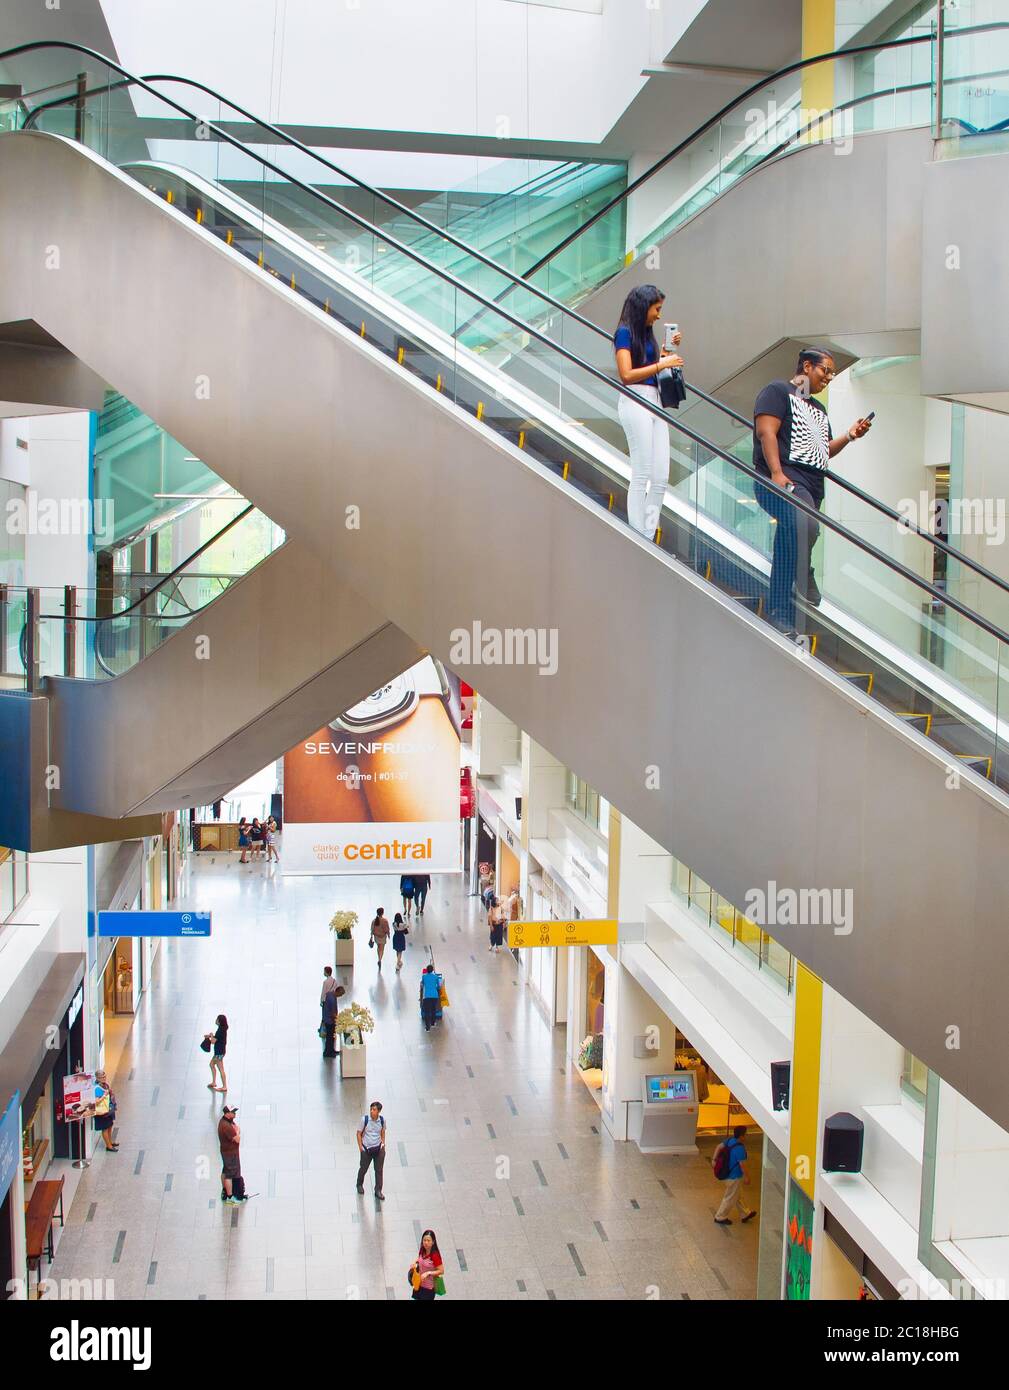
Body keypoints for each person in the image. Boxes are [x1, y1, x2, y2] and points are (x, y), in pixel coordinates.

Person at [753, 348, 872, 636]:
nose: (829, 377)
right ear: (807, 366)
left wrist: (850, 435)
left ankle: (780, 611)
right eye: (825, 370)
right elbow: (766, 432)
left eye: (832, 373)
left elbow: (823, 451)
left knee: (788, 542)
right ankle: (803, 574)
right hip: (780, 481)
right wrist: (777, 473)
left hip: (811, 485)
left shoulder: (818, 409)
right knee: (808, 526)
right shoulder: (778, 391)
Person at [614, 284, 683, 539]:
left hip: (654, 400)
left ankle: (648, 533)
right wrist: (661, 363)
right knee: (641, 473)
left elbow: (652, 365)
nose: (659, 315)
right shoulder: (624, 333)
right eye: (657, 309)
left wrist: (667, 353)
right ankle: (638, 535)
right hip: (636, 400)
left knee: (661, 477)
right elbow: (627, 374)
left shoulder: (646, 334)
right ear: (644, 306)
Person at [713, 1125, 757, 1225]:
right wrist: (747, 1177)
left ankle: (745, 1213)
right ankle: (720, 1217)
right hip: (734, 1176)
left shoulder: (729, 1141)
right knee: (730, 1197)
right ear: (741, 1136)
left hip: (727, 1174)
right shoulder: (740, 1149)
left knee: (737, 1195)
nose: (747, 1136)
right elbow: (742, 1165)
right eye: (746, 1134)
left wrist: (714, 1160)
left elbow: (718, 1147)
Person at [355, 1101, 386, 1201]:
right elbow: (358, 1133)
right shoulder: (365, 1120)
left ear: (379, 1111)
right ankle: (359, 1184)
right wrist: (361, 1148)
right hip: (366, 1149)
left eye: (374, 1110)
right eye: (371, 1109)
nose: (372, 1111)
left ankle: (378, 1190)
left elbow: (383, 1132)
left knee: (379, 1170)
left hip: (378, 1149)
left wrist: (383, 1144)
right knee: (363, 1168)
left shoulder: (382, 1120)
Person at [410, 1230, 444, 1302]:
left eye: (428, 1240)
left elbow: (441, 1271)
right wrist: (415, 1264)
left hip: (428, 1289)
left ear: (433, 1242)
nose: (426, 1243)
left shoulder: (435, 1255)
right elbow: (419, 1259)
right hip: (418, 1284)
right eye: (424, 1240)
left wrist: (428, 1273)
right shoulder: (422, 1250)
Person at [218, 1104, 243, 1204]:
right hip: (230, 1153)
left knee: (225, 1170)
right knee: (229, 1175)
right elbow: (237, 1139)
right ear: (227, 1113)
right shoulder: (226, 1126)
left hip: (225, 1151)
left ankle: (224, 1189)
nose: (235, 1113)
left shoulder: (225, 1121)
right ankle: (229, 1197)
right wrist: (237, 1131)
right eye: (233, 1112)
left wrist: (236, 1129)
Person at [320, 967, 345, 1058]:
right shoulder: (331, 998)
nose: (340, 996)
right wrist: (337, 1019)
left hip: (329, 1019)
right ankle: (328, 1052)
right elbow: (332, 1012)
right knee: (330, 1037)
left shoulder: (331, 996)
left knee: (331, 1037)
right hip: (329, 1020)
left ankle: (331, 1051)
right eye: (340, 994)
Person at [93, 1069, 118, 1152]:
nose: (104, 1078)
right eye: (101, 1077)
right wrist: (104, 1096)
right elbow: (96, 1101)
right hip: (102, 1112)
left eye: (104, 1076)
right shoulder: (96, 1088)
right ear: (97, 1078)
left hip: (108, 1110)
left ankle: (110, 1142)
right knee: (105, 1128)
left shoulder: (104, 1085)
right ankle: (108, 1146)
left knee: (110, 1125)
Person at [206, 1014, 228, 1092]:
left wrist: (211, 1036)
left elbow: (213, 1041)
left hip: (219, 1053)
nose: (216, 1020)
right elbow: (217, 1038)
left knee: (221, 1069)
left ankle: (224, 1086)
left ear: (219, 1021)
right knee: (211, 1065)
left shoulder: (220, 1030)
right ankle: (214, 1082)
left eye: (217, 1019)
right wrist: (211, 1036)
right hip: (220, 1051)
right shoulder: (223, 1028)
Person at [420, 964, 441, 1031]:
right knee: (433, 1010)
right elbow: (438, 986)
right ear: (432, 970)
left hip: (427, 996)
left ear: (427, 970)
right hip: (435, 996)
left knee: (427, 1011)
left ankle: (427, 1028)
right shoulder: (436, 977)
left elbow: (422, 984)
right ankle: (433, 1023)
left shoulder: (424, 976)